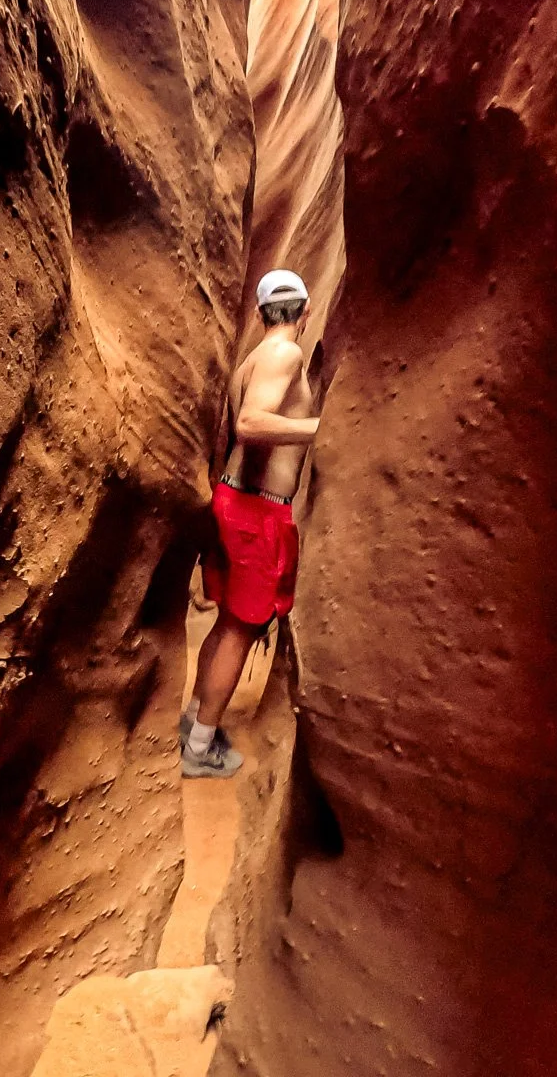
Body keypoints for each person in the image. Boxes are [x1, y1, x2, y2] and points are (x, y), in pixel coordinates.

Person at [182, 269, 320, 778]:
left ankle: (196, 721)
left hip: (234, 500)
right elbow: (250, 424)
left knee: (227, 623)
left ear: (263, 313)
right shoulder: (286, 354)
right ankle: (198, 748)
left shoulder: (252, 360)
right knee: (242, 628)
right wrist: (321, 427)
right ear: (304, 313)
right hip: (258, 513)